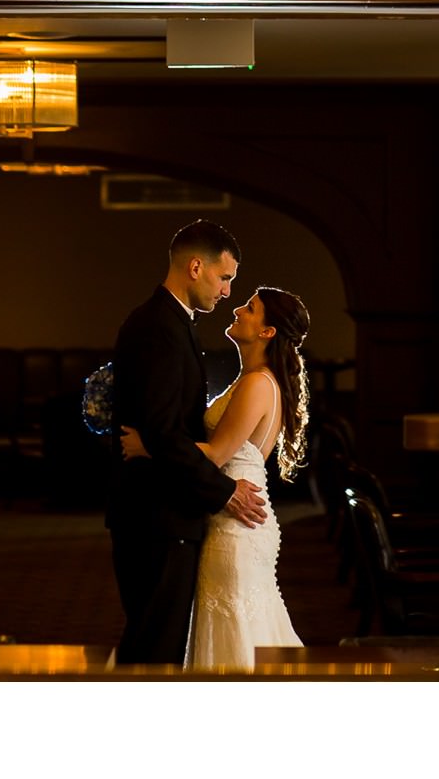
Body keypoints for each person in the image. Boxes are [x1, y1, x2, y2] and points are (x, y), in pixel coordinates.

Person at [121, 284, 310, 669]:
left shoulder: (259, 383)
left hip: (236, 524)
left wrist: (148, 446)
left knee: (234, 625)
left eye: (251, 308)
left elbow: (217, 454)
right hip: (226, 514)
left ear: (267, 331)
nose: (237, 308)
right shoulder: (249, 378)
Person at [106, 220, 268, 665]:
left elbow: (163, 432)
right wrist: (225, 492)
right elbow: (164, 430)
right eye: (224, 277)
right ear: (196, 266)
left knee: (157, 645)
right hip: (156, 517)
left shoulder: (171, 322)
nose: (227, 292)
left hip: (164, 513)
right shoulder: (158, 325)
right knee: (153, 652)